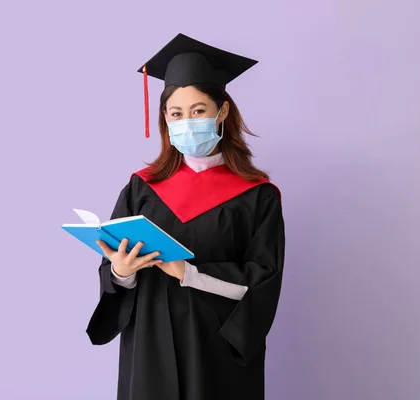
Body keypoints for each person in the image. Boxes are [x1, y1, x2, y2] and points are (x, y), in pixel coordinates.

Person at [86, 33, 286, 400]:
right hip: (150, 344)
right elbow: (112, 269)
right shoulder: (141, 188)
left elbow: (264, 280)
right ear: (164, 118)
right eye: (176, 113)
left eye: (198, 111)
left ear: (221, 111)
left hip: (216, 352)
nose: (187, 121)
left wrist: (190, 273)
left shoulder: (257, 196)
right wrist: (121, 272)